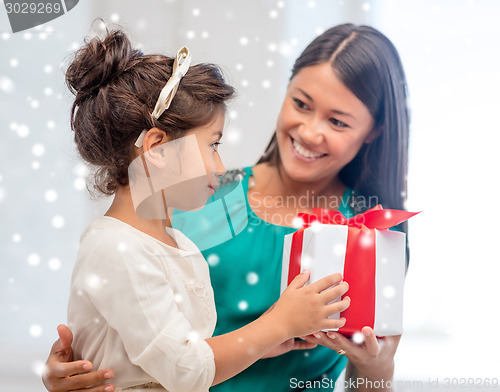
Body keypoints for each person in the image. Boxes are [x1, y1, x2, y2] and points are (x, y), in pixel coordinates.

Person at [43, 23, 410, 392]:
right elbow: (128, 325)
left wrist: (379, 367)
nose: (310, 132)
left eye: (337, 121)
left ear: (374, 130)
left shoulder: (369, 237)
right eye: (301, 104)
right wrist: (74, 371)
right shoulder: (196, 196)